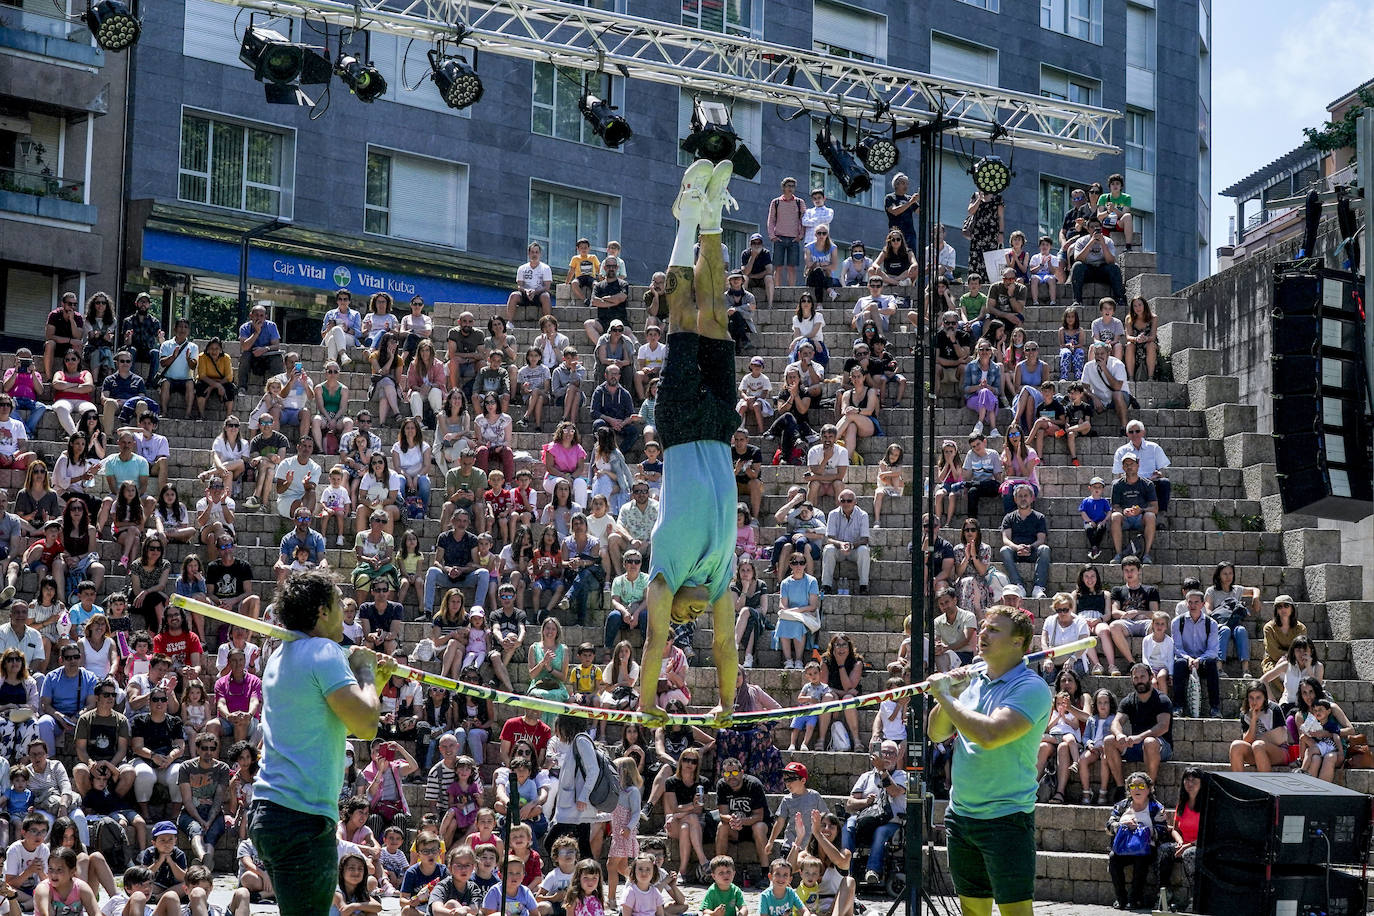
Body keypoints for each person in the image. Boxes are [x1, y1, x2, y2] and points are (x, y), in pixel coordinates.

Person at [638, 159, 742, 728]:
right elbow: (726, 648)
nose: (692, 616)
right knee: (718, 317)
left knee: (682, 316)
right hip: (722, 430)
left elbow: (655, 642)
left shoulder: (666, 570)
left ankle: (684, 220)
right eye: (696, 617)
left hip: (678, 427)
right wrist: (725, 704)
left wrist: (647, 704)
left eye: (686, 615)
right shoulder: (722, 574)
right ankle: (708, 219)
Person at [249, 570, 393, 916]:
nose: (346, 610)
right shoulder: (324, 651)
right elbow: (368, 725)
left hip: (274, 813)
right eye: (337, 603)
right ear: (321, 612)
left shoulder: (282, 656)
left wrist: (376, 682)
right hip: (301, 820)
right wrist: (365, 673)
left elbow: (334, 724)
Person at [927, 606, 1050, 916]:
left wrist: (945, 697)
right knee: (972, 910)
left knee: (1015, 912)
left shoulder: (1031, 688)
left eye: (994, 630)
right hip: (962, 816)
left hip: (1006, 819)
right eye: (983, 627)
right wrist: (952, 694)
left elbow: (990, 735)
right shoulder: (974, 680)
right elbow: (936, 733)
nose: (983, 634)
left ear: (1019, 643)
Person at [1105, 772, 1169, 910]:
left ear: (1149, 789)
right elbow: (1109, 825)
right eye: (1133, 786)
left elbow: (1163, 831)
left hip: (1146, 847)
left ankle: (1135, 899)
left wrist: (1143, 831)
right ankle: (1121, 898)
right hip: (1124, 847)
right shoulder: (1121, 806)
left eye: (1141, 786)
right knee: (1113, 859)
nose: (1137, 789)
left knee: (1141, 859)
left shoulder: (1156, 808)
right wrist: (1123, 826)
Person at [1108, 663, 1173, 787]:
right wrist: (1119, 734)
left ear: (1150, 677)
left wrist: (1140, 737)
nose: (1139, 681)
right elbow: (1116, 722)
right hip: (1136, 746)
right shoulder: (1128, 701)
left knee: (1149, 742)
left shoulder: (1162, 700)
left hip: (1161, 747)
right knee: (1109, 740)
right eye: (1136, 678)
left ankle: (1150, 788)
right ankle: (1121, 787)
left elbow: (1163, 726)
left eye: (1142, 677)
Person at [1171, 591, 1221, 718]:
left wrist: (1199, 659)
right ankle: (1178, 707)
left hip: (1202, 661)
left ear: (1203, 604)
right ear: (1186, 604)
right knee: (1179, 664)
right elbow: (1177, 647)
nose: (1193, 605)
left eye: (1196, 602)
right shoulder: (1177, 622)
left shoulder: (1212, 624)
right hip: (1185, 660)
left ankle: (1215, 708)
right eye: (1190, 602)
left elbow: (1213, 650)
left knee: (1211, 663)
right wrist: (1189, 659)